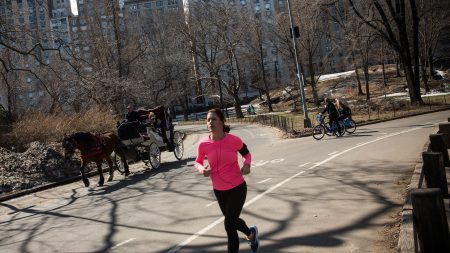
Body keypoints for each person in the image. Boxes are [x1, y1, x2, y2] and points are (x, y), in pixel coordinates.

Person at [195, 108, 259, 253]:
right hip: (219, 191)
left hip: (237, 187)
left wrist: (247, 164)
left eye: (214, 119)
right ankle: (251, 233)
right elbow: (198, 161)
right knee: (233, 221)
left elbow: (246, 154)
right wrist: (201, 169)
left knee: (229, 225)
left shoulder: (233, 140)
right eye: (208, 120)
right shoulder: (203, 144)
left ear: (222, 122)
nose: (210, 122)